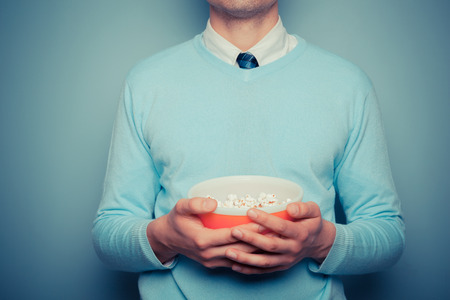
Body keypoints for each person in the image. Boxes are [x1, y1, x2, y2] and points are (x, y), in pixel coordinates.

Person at [92, 1, 405, 299]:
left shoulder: (348, 85)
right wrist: (165, 238)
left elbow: (387, 232)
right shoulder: (146, 83)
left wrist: (319, 243)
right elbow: (109, 232)